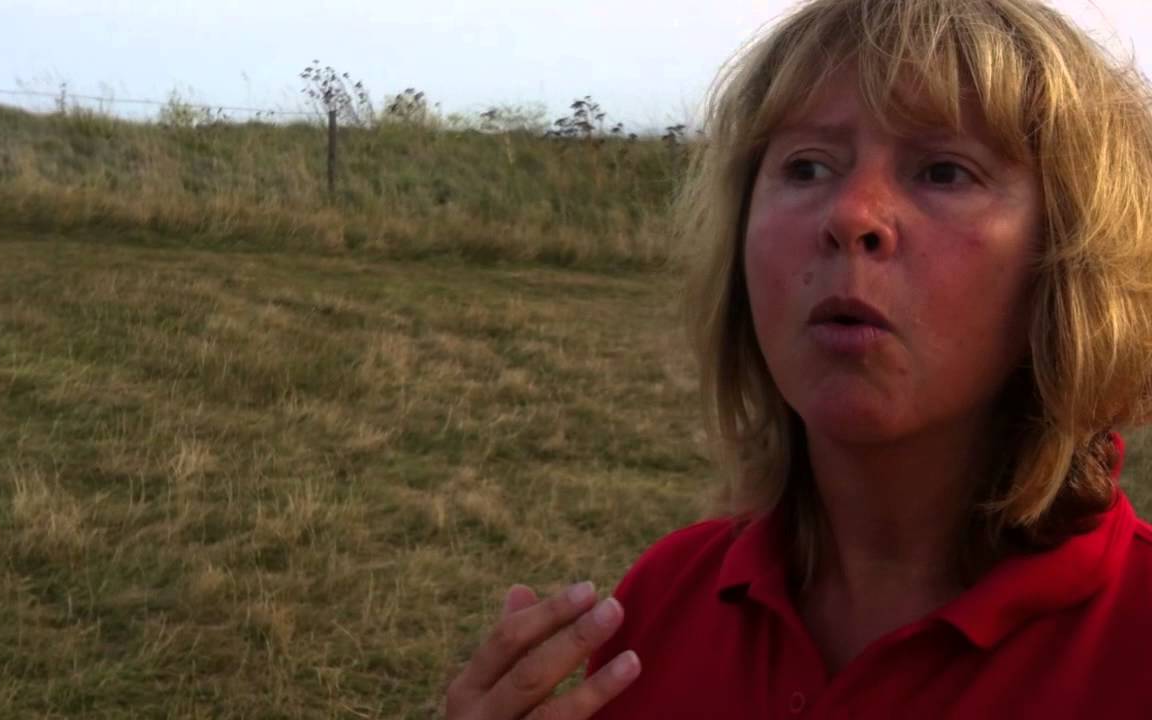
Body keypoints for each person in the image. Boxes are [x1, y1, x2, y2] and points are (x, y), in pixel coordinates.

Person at [445, 0, 1152, 717]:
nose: (851, 215)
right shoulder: (662, 602)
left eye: (944, 171)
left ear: (1073, 260)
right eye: (807, 166)